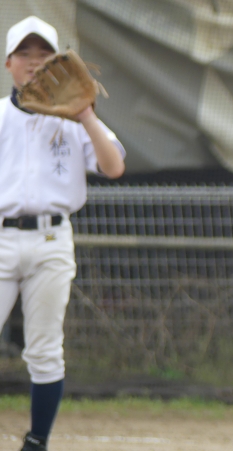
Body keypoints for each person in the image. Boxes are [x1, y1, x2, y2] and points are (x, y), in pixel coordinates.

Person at [0, 16, 126, 451]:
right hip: (2, 239)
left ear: (59, 63)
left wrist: (86, 114)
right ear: (8, 62)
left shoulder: (73, 120)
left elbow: (113, 166)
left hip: (52, 241)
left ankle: (37, 442)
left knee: (45, 350)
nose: (33, 61)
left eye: (43, 54)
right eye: (24, 53)